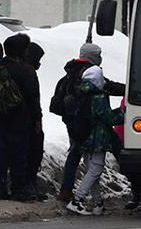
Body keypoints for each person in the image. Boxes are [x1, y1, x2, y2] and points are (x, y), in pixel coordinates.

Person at [51, 42, 124, 202]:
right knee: (114, 148)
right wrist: (130, 90)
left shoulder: (69, 75)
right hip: (92, 124)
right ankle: (138, 185)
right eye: (98, 55)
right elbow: (110, 87)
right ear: (93, 57)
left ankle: (68, 191)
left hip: (73, 122)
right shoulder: (92, 74)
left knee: (76, 153)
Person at [0, 33, 41, 201]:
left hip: (0, 116)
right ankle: (19, 190)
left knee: (2, 153)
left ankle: (0, 188)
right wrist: (37, 119)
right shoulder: (26, 70)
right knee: (19, 154)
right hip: (20, 118)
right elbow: (33, 98)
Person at [66, 65, 124, 216]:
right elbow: (108, 118)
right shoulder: (98, 96)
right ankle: (77, 201)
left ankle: (98, 203)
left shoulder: (83, 92)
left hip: (84, 137)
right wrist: (123, 114)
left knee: (92, 171)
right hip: (96, 139)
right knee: (95, 170)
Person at [24, 41, 47, 198]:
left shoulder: (21, 70)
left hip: (20, 119)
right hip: (28, 119)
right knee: (32, 152)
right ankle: (29, 185)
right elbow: (33, 99)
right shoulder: (29, 73)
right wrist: (38, 119)